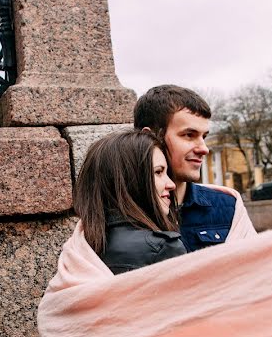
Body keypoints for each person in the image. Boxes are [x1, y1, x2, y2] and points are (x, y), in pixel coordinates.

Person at [133, 84, 255, 251]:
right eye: (189, 135)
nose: (203, 148)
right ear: (150, 137)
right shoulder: (115, 211)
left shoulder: (228, 205)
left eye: (204, 137)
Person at [74, 130, 185, 275]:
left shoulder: (79, 249)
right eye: (158, 172)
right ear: (130, 181)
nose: (171, 184)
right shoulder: (164, 248)